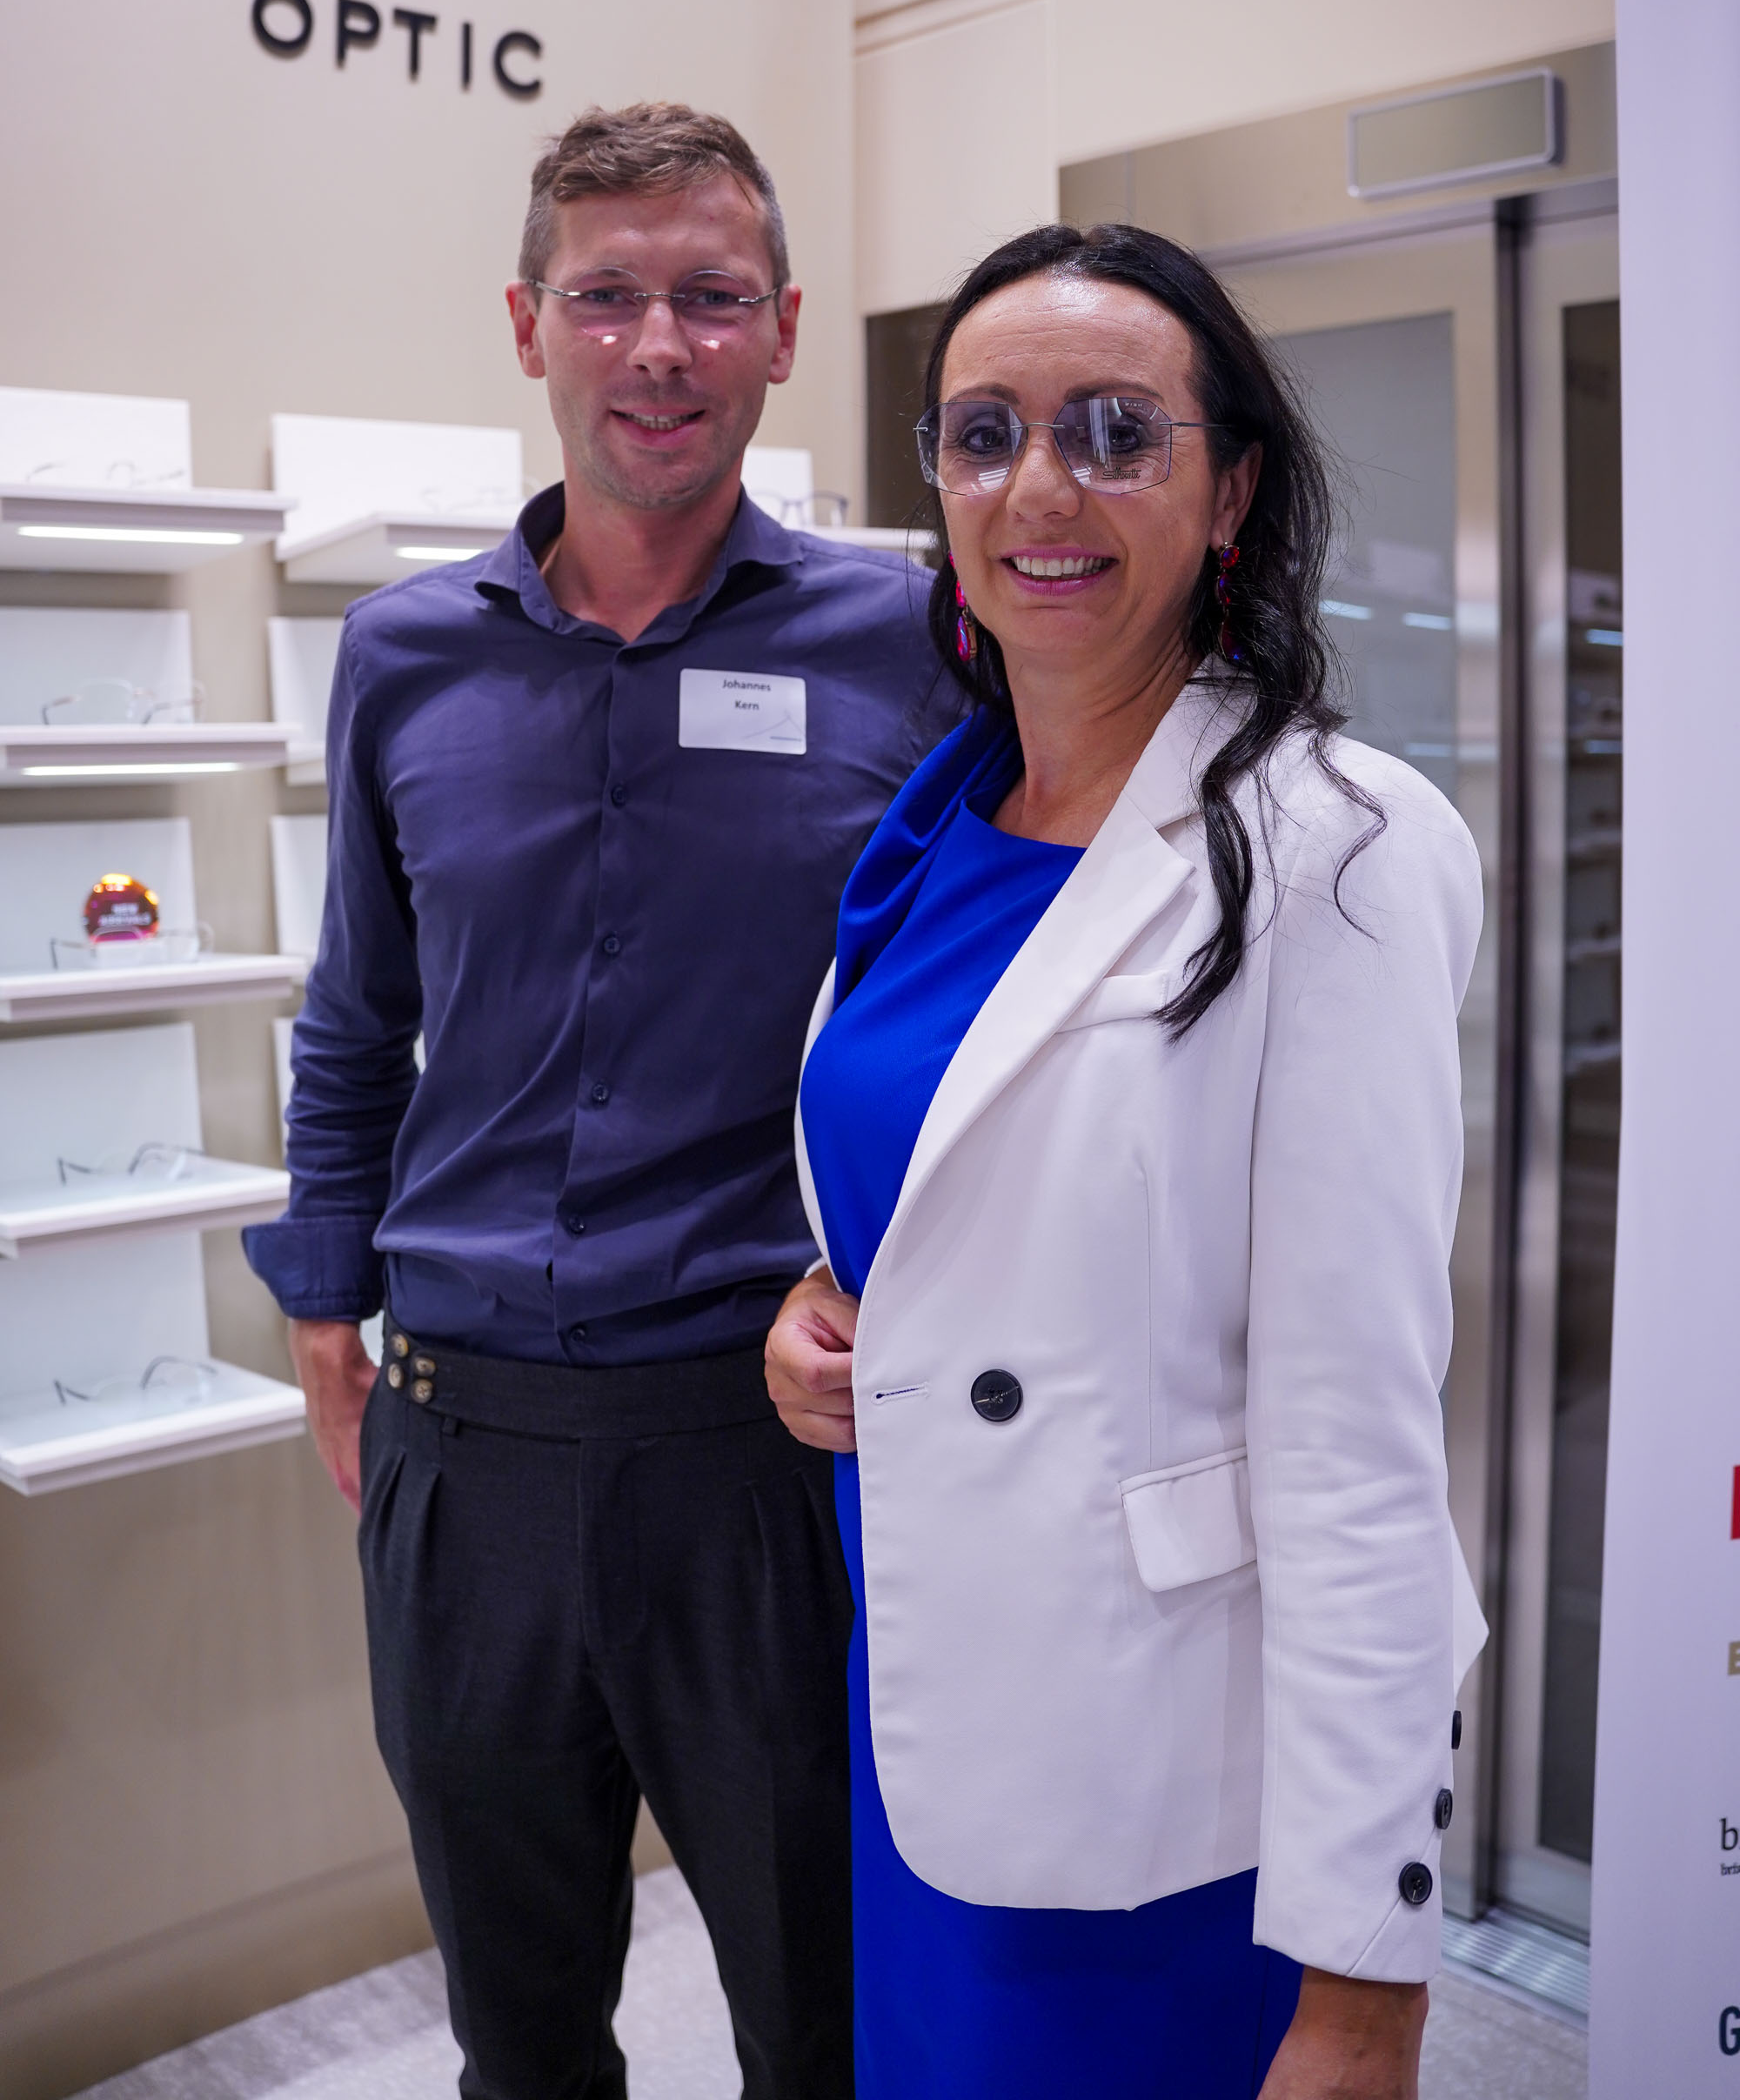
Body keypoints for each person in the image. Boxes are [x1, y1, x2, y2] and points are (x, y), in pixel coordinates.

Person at [245, 103, 953, 2100]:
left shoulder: (910, 647)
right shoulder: (402, 659)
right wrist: (324, 1310)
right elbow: (357, 1014)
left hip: (762, 1456)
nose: (658, 346)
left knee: (823, 2027)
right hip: (463, 1451)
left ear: (783, 330)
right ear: (527, 323)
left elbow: (969, 1014)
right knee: (520, 2035)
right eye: (607, 296)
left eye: (711, 297)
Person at [766, 222, 1487, 2100]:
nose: (1038, 489)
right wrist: (826, 1315)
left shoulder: (1335, 848)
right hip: (926, 1696)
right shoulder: (937, 820)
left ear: (1229, 489)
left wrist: (1367, 1976)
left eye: (1113, 431)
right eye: (983, 433)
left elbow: (1358, 1440)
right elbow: (943, 1191)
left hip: (1157, 1779)